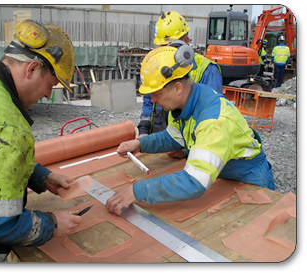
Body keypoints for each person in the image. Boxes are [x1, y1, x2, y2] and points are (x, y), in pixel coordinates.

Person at [106, 46, 275, 216]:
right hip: (223, 175)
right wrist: (140, 143)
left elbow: (194, 182)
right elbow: (173, 138)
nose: (154, 101)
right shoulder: (184, 104)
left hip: (249, 181)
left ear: (177, 88)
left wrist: (137, 191)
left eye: (156, 94)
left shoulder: (214, 122)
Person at [0, 19, 82, 262]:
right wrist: (53, 224)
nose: (48, 94)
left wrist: (41, 177)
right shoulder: (9, 128)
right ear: (32, 69)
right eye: (50, 85)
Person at [138, 11, 222, 142]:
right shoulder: (157, 66)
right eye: (163, 47)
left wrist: (184, 150)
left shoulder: (207, 70)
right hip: (161, 135)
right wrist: (143, 131)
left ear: (186, 42)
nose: (166, 52)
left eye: (172, 46)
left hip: (189, 142)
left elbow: (212, 116)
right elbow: (149, 100)